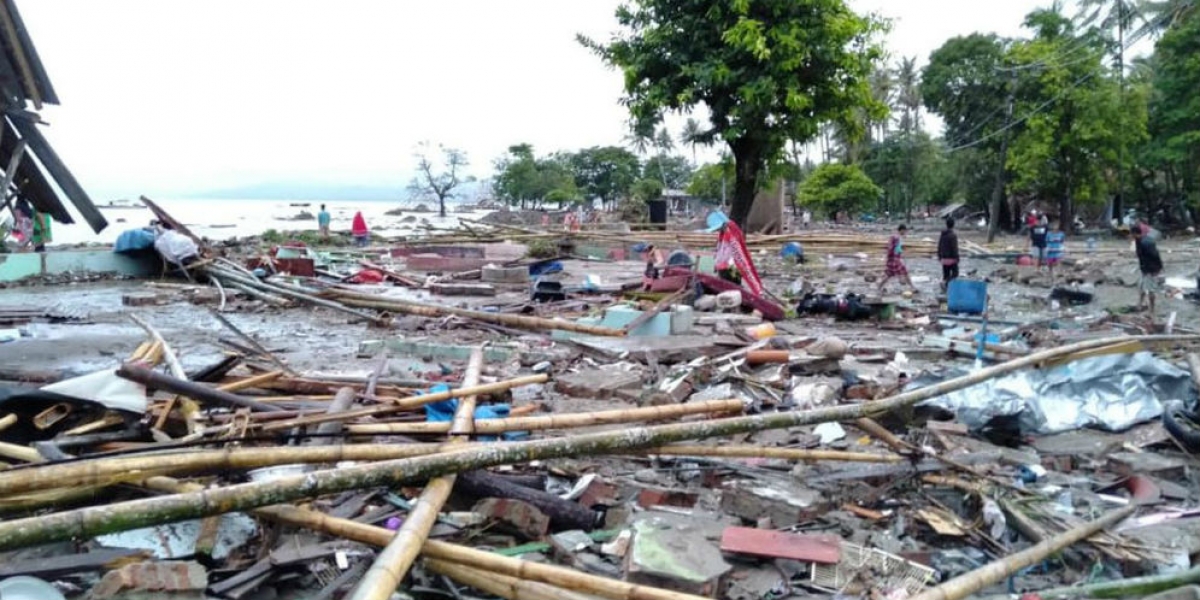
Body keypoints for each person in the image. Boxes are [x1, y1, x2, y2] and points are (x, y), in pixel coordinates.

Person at [1134, 223, 1163, 318]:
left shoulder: (1146, 243)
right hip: (1144, 268)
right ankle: (1140, 305)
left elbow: (1155, 256)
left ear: (1134, 233)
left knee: (1150, 290)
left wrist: (1156, 269)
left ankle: (1152, 310)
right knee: (1141, 286)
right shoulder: (1138, 241)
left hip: (1151, 269)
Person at [878, 224, 916, 293]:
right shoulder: (897, 238)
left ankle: (879, 287)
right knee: (901, 273)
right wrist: (897, 256)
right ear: (902, 230)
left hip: (893, 259)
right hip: (895, 259)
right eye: (905, 231)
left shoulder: (895, 237)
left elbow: (892, 248)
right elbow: (894, 249)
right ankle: (911, 287)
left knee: (891, 274)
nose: (905, 232)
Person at [937, 217, 960, 290]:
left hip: (944, 258)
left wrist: (939, 256)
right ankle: (946, 283)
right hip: (951, 258)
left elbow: (939, 245)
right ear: (953, 225)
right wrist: (957, 257)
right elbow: (954, 248)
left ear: (946, 224)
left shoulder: (942, 234)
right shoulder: (953, 235)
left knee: (946, 274)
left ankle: (945, 285)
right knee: (955, 273)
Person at [1045, 220, 1066, 285]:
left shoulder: (1061, 234)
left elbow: (1062, 241)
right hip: (1050, 251)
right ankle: (1050, 277)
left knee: (1057, 263)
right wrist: (1047, 248)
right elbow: (1046, 241)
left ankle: (1057, 277)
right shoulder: (1048, 234)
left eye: (1056, 226)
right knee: (1050, 265)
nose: (1055, 227)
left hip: (1057, 251)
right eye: (1054, 226)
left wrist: (1062, 248)